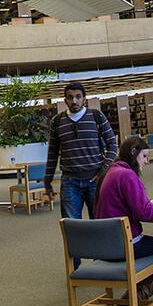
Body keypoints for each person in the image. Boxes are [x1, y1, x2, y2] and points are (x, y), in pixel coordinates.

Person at [95, 136, 153, 298]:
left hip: (106, 245)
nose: (146, 161)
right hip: (125, 245)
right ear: (134, 152)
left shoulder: (111, 171)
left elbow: (131, 204)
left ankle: (134, 295)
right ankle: (137, 297)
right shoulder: (127, 175)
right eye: (144, 156)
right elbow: (145, 213)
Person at [44, 81, 118, 225]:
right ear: (65, 100)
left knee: (100, 223)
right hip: (70, 182)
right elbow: (52, 153)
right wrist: (48, 181)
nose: (74, 101)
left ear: (84, 99)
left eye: (78, 97)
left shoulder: (96, 116)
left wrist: (103, 171)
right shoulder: (57, 122)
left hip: (95, 180)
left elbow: (113, 144)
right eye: (70, 97)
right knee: (72, 226)